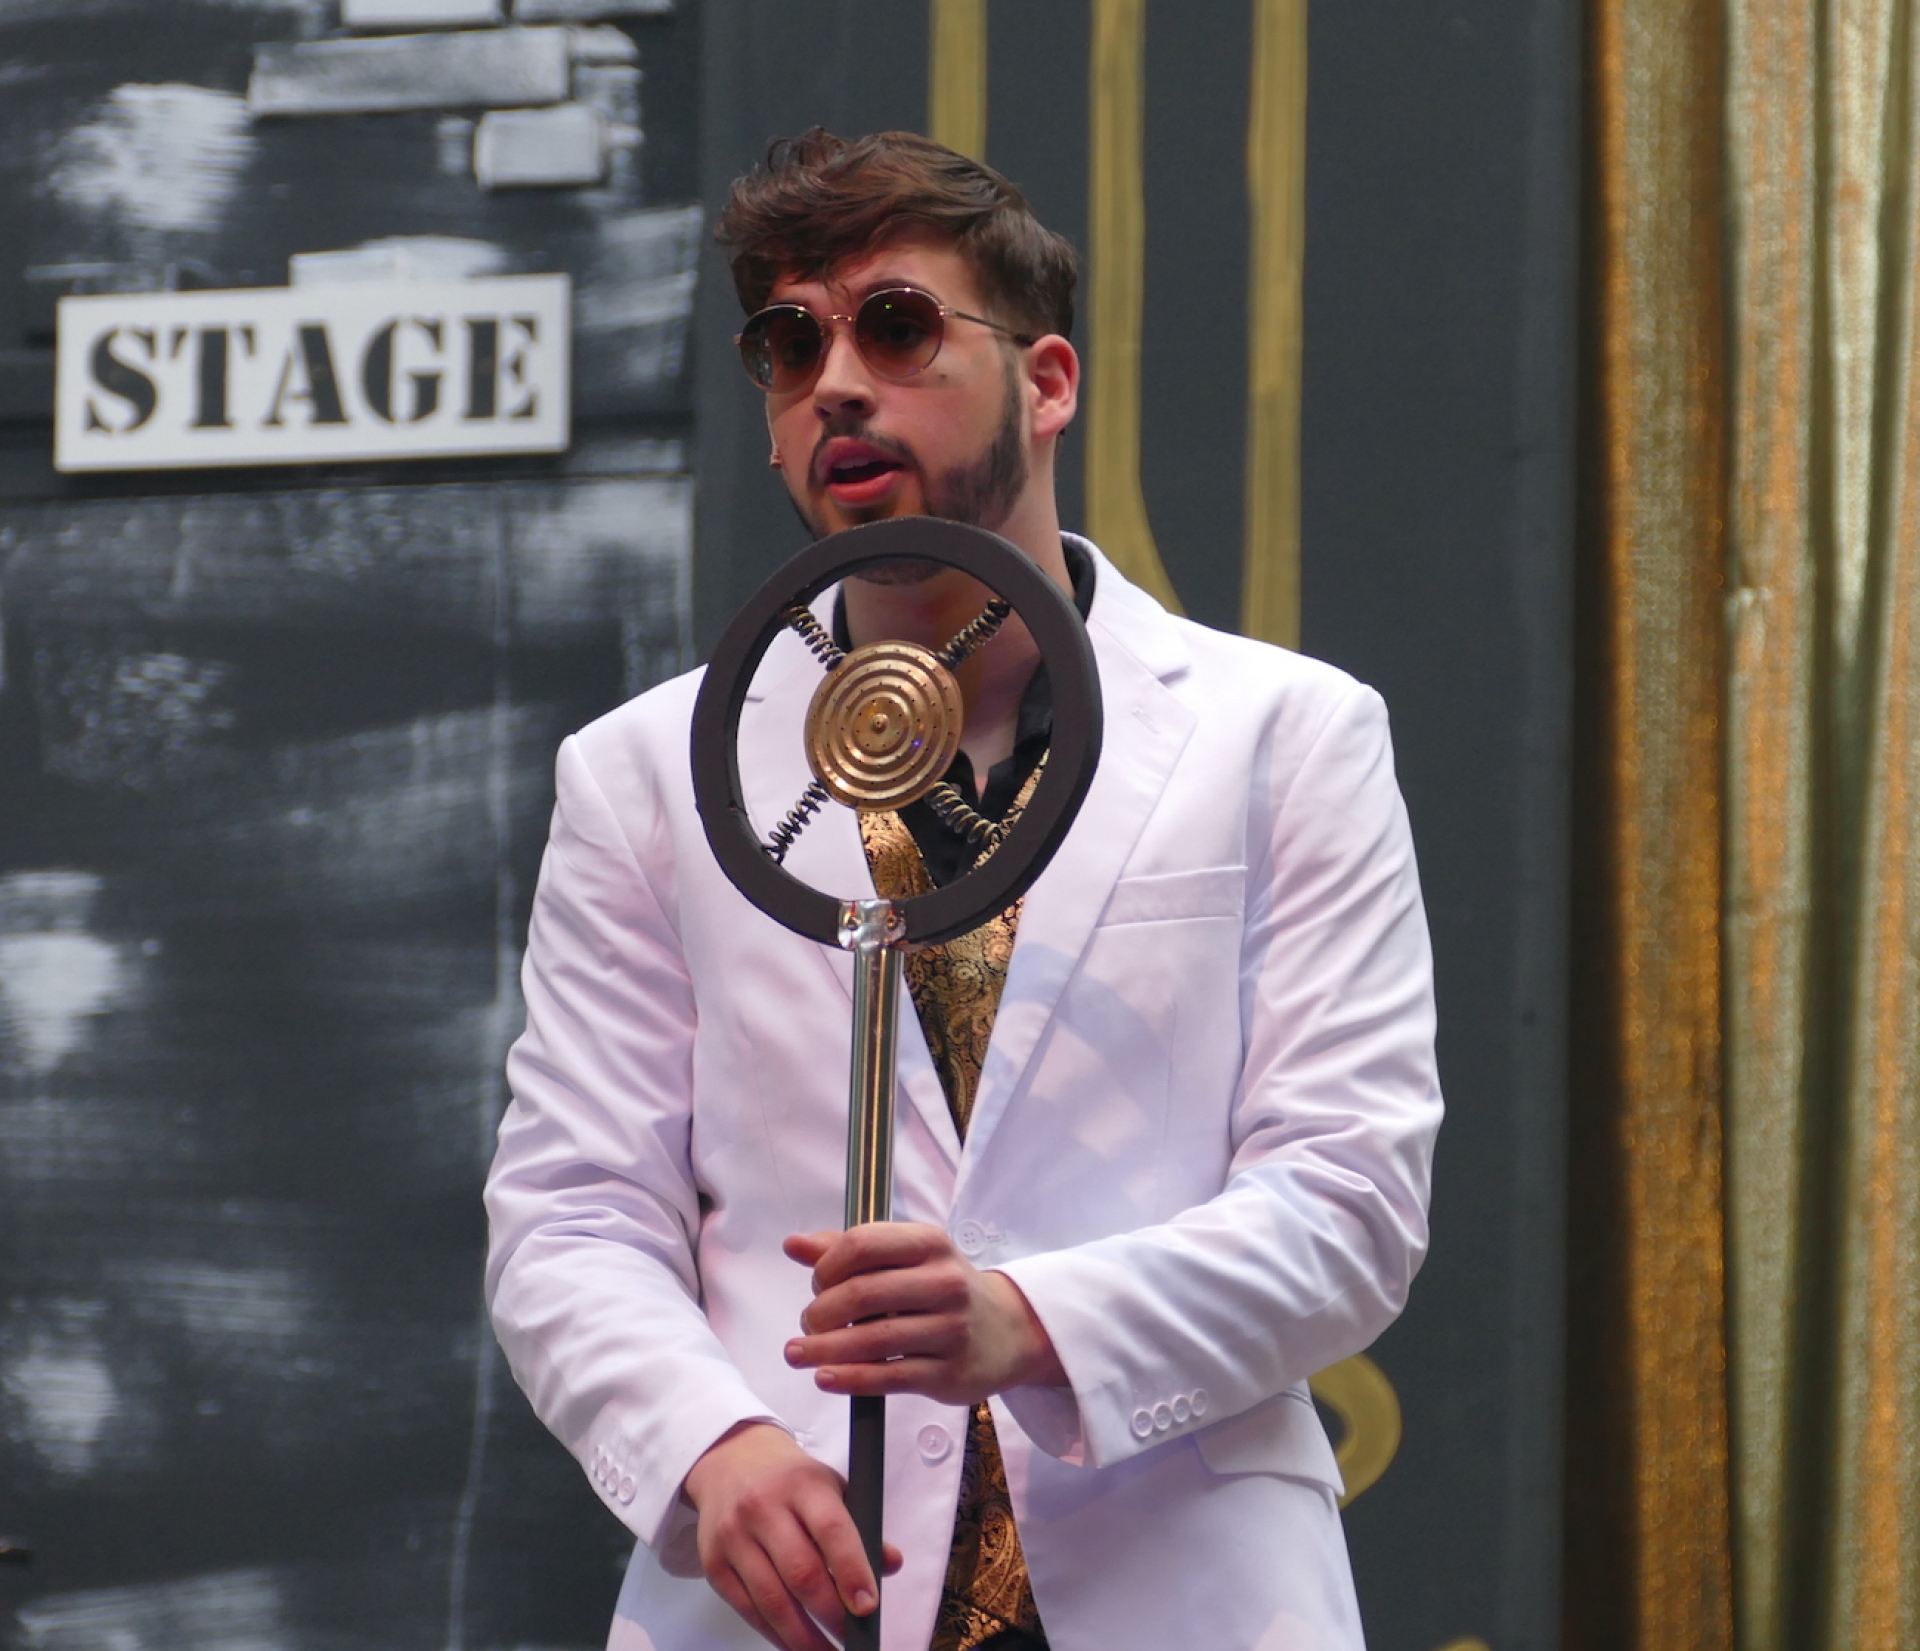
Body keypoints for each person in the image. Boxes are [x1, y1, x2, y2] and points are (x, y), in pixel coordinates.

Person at [485, 129, 1441, 1651]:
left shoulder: (1283, 735)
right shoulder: (648, 774)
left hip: (1177, 1589)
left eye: (897, 327)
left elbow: (1351, 1197)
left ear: (1047, 381)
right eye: (789, 346)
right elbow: (571, 1212)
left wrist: (1027, 1320)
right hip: (797, 1592)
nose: (837, 385)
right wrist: (710, 1447)